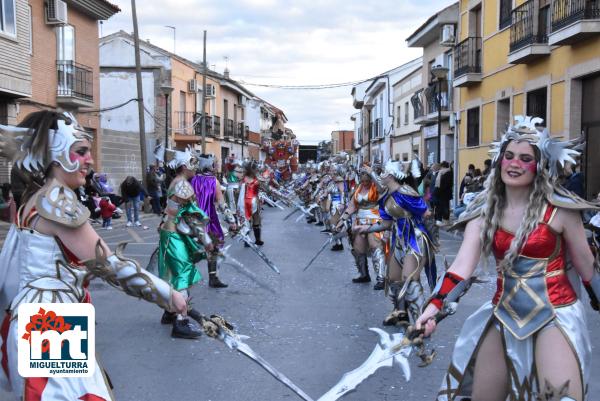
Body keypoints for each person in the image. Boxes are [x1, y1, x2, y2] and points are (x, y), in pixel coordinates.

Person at [0, 110, 188, 400]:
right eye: (81, 151)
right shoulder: (55, 200)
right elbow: (109, 265)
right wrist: (168, 295)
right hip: (52, 322)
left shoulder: (32, 199)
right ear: (55, 153)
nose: (89, 160)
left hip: (36, 319)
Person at [416, 116, 600, 401]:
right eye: (509, 156)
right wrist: (433, 309)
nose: (514, 163)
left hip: (554, 314)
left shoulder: (560, 210)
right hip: (503, 313)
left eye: (525, 158)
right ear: (500, 160)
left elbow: (587, 267)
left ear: (539, 166)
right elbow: (462, 266)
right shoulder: (483, 209)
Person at [356, 159, 437, 326]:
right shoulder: (386, 197)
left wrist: (431, 238)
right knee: (393, 279)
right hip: (399, 240)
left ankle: (420, 322)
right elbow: (386, 223)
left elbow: (427, 213)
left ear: (391, 176)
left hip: (415, 240)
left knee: (409, 279)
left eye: (384, 173)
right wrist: (366, 229)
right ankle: (401, 313)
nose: (381, 176)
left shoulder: (406, 193)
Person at [157, 147, 213, 338]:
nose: (195, 167)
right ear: (184, 166)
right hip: (174, 234)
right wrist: (206, 240)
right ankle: (180, 322)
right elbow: (191, 216)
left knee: (173, 272)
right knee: (182, 273)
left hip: (170, 231)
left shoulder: (178, 182)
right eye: (193, 162)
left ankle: (170, 312)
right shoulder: (183, 185)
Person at [191, 154, 237, 288]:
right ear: (209, 165)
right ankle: (213, 278)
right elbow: (222, 204)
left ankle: (185, 275)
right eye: (215, 164)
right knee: (214, 248)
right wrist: (231, 220)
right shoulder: (213, 181)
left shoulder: (191, 180)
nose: (217, 166)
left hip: (190, 219)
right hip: (208, 219)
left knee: (190, 247)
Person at [337, 167, 386, 289]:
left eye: (367, 181)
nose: (365, 183)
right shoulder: (358, 189)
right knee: (358, 249)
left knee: (376, 247)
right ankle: (364, 275)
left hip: (375, 220)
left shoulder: (377, 188)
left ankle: (381, 278)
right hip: (360, 221)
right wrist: (341, 220)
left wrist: (373, 174)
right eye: (363, 181)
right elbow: (352, 206)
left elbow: (382, 189)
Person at [434, 161, 453, 225]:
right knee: (441, 207)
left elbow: (444, 184)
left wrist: (437, 191)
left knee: (445, 207)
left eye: (441, 167)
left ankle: (446, 221)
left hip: (444, 194)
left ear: (443, 166)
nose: (440, 168)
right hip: (441, 193)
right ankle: (441, 220)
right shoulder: (442, 173)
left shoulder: (447, 173)